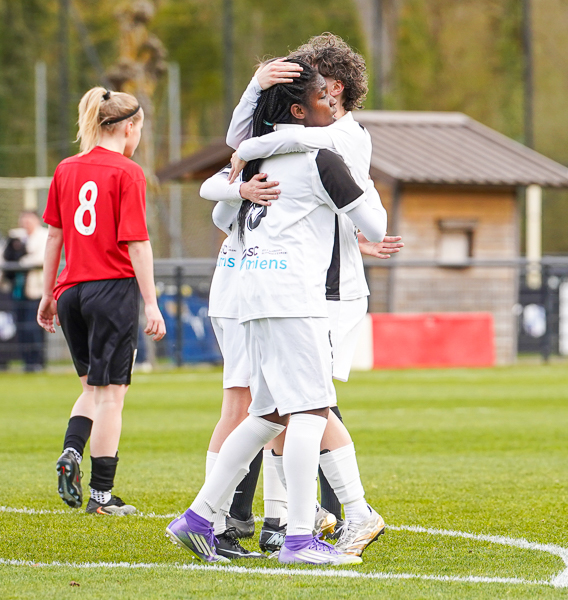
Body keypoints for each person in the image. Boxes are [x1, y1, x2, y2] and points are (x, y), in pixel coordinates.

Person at [166, 59, 387, 566]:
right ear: (298, 109)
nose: (332, 108)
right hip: (296, 299)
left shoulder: (256, 160)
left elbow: (223, 211)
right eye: (323, 102)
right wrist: (355, 194)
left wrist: (249, 184)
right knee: (309, 411)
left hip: (251, 296)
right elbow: (374, 227)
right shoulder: (325, 157)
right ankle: (298, 539)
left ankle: (199, 517)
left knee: (266, 414)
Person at [224, 34, 399, 557]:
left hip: (326, 287)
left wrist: (255, 112)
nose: (298, 86)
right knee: (286, 406)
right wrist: (255, 92)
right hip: (297, 284)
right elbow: (242, 145)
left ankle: (344, 513)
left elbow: (251, 145)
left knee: (306, 407)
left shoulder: (339, 136)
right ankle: (296, 516)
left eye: (309, 80)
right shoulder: (313, 128)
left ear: (333, 89)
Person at [38, 87, 166, 515]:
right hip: (111, 289)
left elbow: (54, 236)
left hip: (70, 290)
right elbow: (137, 243)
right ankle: (101, 496)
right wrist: (150, 302)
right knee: (112, 395)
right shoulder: (127, 172)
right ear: (130, 127)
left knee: (91, 389)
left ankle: (72, 450)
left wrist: (47, 293)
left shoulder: (66, 169)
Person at [5, 212, 48, 371]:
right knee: (21, 326)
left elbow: (41, 259)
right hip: (18, 290)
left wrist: (19, 260)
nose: (26, 223)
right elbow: (5, 257)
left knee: (34, 327)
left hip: (36, 290)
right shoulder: (15, 236)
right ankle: (27, 362)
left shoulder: (44, 236)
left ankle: (37, 361)